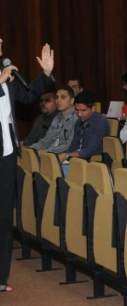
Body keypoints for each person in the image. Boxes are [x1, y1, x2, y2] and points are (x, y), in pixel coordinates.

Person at [0, 40, 55, 292]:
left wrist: (45, 73)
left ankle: (1, 278)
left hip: (7, 152)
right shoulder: (2, 75)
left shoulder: (6, 72)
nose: (1, 42)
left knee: (3, 217)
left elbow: (29, 95)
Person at [58, 92, 110, 163]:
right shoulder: (78, 123)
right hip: (77, 160)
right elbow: (73, 146)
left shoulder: (100, 122)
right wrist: (61, 154)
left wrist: (67, 156)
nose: (79, 114)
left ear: (93, 108)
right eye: (77, 110)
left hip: (94, 162)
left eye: (83, 110)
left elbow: (90, 150)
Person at [30, 86, 78, 153]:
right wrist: (30, 149)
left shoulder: (77, 118)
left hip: (67, 157)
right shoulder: (57, 117)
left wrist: (45, 152)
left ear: (72, 100)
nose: (58, 100)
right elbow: (46, 141)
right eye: (57, 97)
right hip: (51, 155)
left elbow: (69, 146)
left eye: (63, 97)